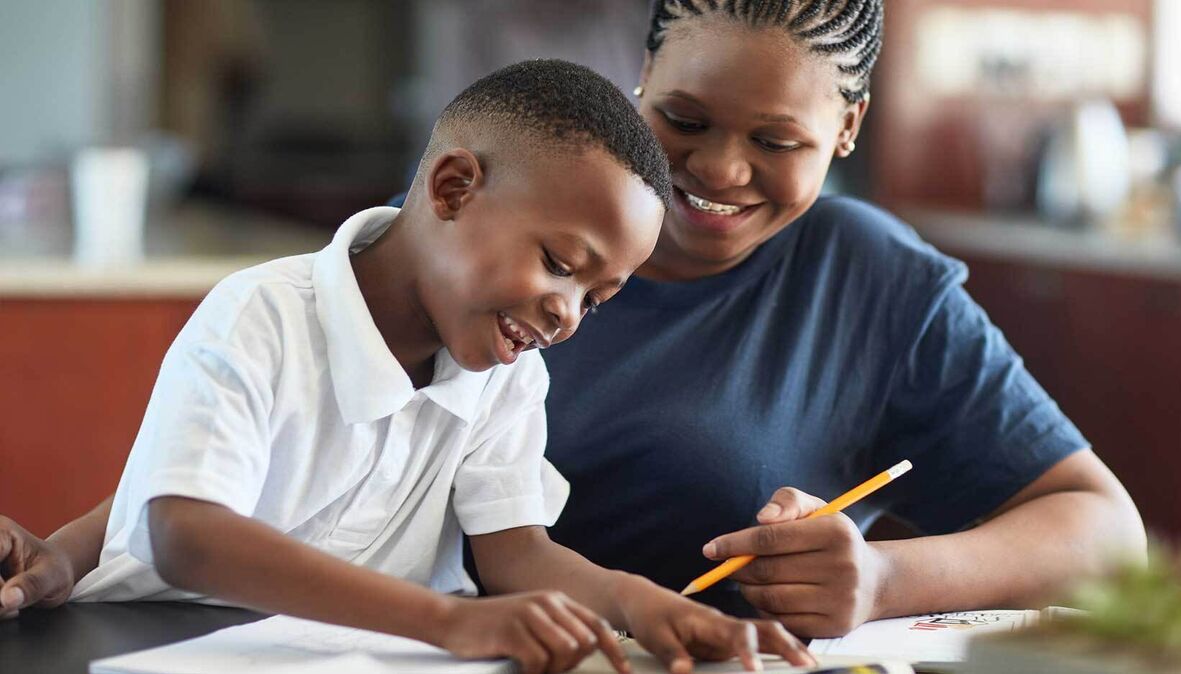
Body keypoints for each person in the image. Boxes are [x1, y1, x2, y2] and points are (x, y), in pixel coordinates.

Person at [3, 0, 1148, 645]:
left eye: (779, 143)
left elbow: (1105, 530)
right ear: (639, 70)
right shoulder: (478, 244)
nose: (716, 171)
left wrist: (878, 577)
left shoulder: (866, 282)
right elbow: (246, 466)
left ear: (846, 132)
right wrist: (68, 549)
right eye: (683, 117)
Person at [0, 59, 813, 674]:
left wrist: (641, 603)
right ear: (454, 188)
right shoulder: (264, 315)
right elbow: (186, 532)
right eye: (562, 264)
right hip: (161, 647)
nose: (569, 315)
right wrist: (446, 621)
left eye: (597, 299)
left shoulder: (507, 373)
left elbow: (514, 552)